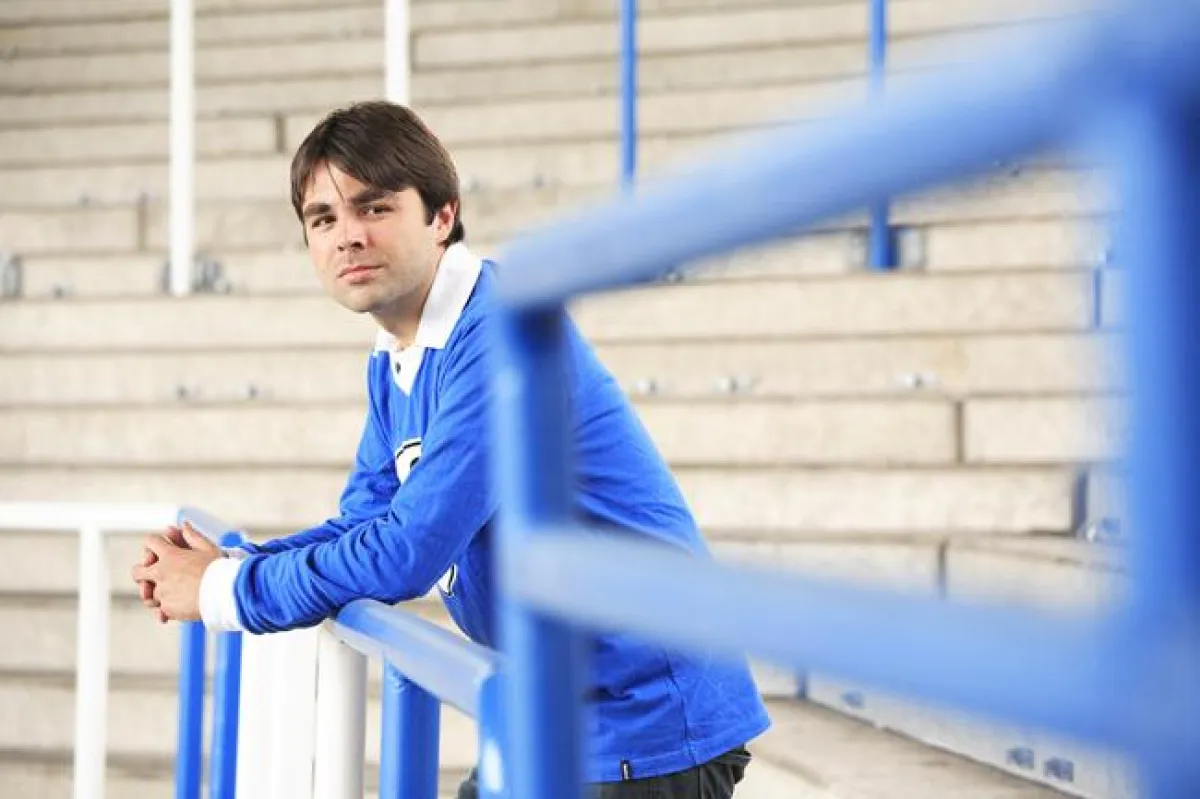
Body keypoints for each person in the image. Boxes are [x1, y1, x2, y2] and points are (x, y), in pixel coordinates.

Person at [132, 100, 770, 798]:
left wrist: (222, 593)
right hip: (550, 714)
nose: (347, 237)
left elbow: (409, 551)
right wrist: (239, 564)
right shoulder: (397, 355)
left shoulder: (498, 332)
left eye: (374, 208)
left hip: (643, 726)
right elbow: (365, 522)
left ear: (442, 216)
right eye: (323, 219)